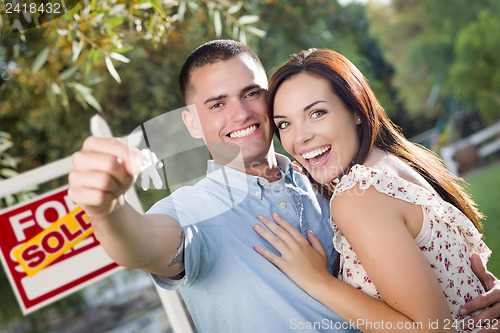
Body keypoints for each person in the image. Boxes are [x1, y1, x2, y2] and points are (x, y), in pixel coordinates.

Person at [68, 40, 500, 333]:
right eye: (216, 104)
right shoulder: (191, 209)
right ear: (192, 123)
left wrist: (472, 291)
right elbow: (141, 245)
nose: (239, 113)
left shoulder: (326, 177)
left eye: (250, 93)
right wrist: (108, 210)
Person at [253, 48, 498, 332]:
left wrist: (318, 281)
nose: (300, 137)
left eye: (317, 113)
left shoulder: (360, 195)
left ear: (356, 110)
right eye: (285, 124)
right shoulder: (395, 164)